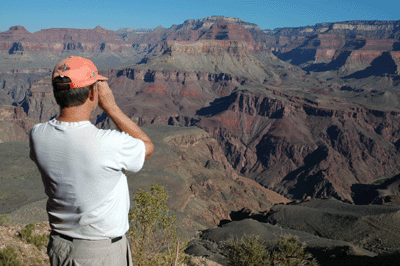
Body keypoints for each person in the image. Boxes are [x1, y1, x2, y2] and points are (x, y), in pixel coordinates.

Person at [29, 56, 154, 265]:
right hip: (99, 253)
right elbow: (147, 147)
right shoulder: (107, 143)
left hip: (60, 248)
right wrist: (111, 107)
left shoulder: (37, 135)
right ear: (93, 92)